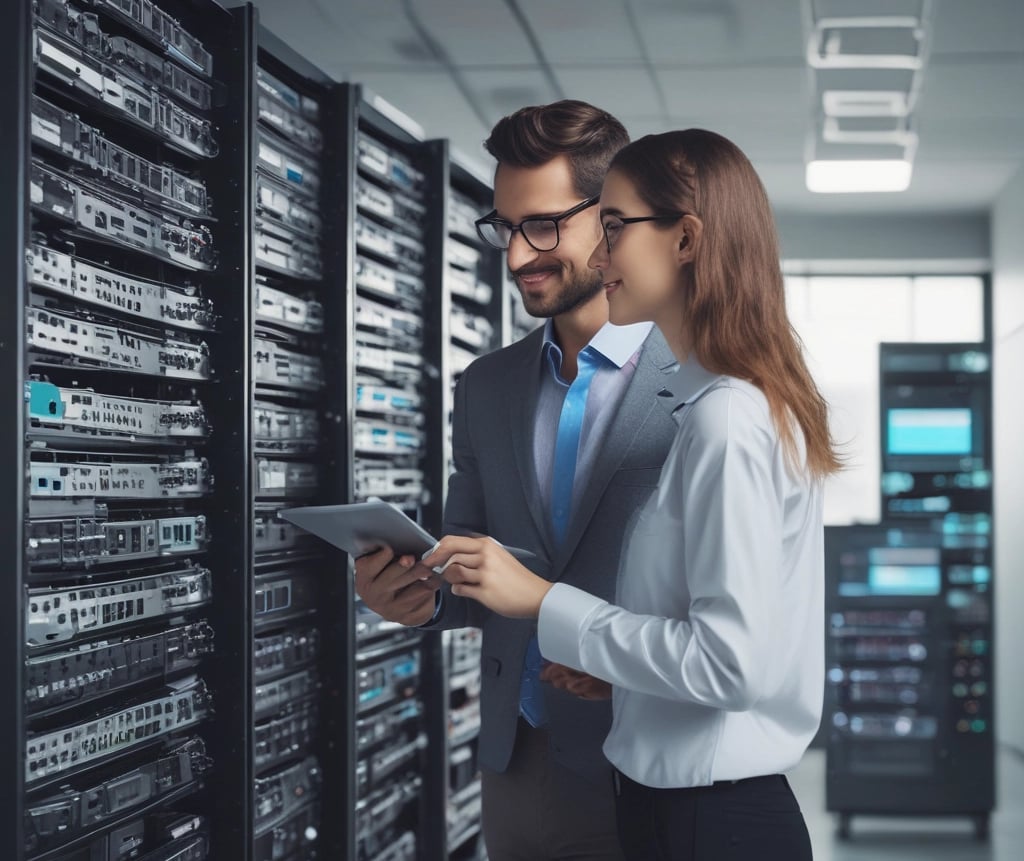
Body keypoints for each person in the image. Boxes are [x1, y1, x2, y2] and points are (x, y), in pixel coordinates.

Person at [422, 128, 843, 861]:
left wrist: (544, 602)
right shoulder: (726, 404)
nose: (600, 254)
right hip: (678, 801)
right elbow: (729, 640)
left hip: (710, 817)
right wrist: (622, 677)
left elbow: (729, 664)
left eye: (614, 228)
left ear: (686, 239)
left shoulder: (724, 419)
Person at [353, 101, 680, 860]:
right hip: (518, 760)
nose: (516, 257)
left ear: (612, 218)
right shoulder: (485, 385)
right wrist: (416, 597)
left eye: (542, 225)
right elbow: (470, 565)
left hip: (652, 752)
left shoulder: (702, 380)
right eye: (505, 227)